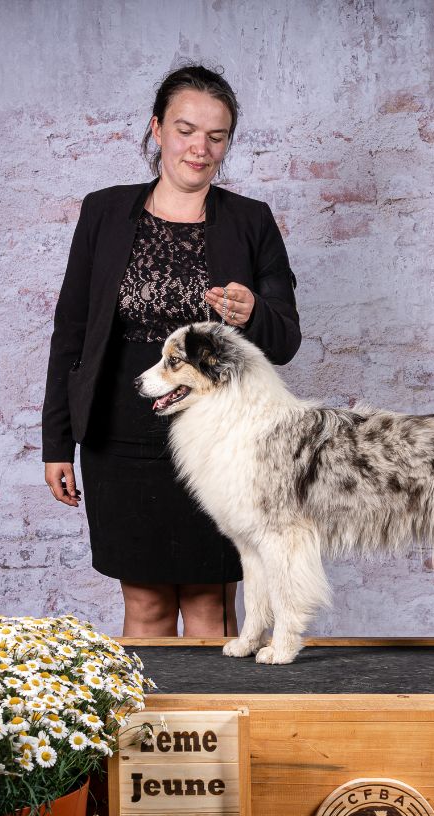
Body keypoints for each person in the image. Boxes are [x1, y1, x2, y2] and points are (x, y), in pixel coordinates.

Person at [42, 65, 301, 637]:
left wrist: (252, 312)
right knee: (147, 608)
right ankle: (142, 733)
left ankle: (220, 730)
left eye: (217, 136)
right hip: (120, 436)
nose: (200, 148)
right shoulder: (104, 212)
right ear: (157, 129)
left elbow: (285, 341)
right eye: (186, 130)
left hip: (222, 443)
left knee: (213, 608)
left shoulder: (251, 221)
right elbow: (71, 334)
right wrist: (56, 441)